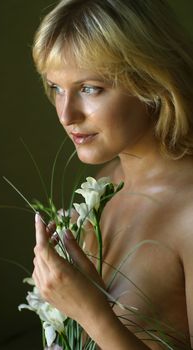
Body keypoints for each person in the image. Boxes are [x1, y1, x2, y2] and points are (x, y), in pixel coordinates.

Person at [31, 0, 193, 349]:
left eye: (90, 88)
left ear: (151, 80)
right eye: (56, 87)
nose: (66, 114)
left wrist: (93, 314)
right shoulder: (104, 187)